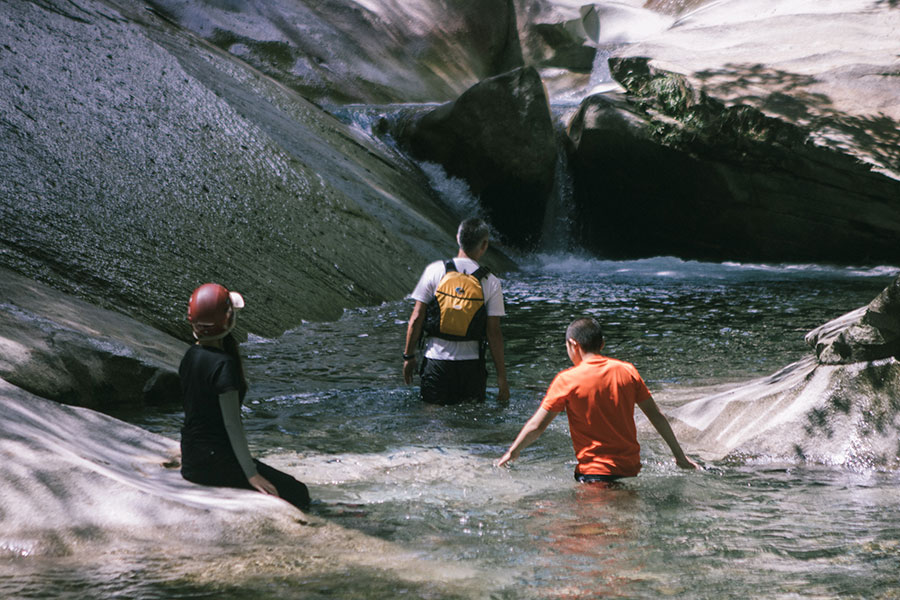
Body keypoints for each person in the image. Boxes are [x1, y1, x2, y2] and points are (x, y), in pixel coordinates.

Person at [498, 317, 697, 482]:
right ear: (601, 345)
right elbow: (657, 417)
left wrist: (513, 451)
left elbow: (537, 426)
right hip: (631, 470)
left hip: (594, 473)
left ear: (573, 345)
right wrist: (680, 456)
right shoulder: (627, 371)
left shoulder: (567, 380)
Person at [179, 282, 311, 510]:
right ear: (228, 321)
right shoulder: (224, 365)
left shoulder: (190, 356)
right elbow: (232, 425)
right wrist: (251, 474)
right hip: (215, 462)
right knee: (298, 492)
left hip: (191, 460)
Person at [403, 218, 510, 405]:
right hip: (471, 366)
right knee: (472, 423)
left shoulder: (434, 271)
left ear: (457, 238)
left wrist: (409, 356)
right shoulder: (491, 281)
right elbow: (494, 333)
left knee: (432, 422)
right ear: (484, 245)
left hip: (436, 361)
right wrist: (502, 377)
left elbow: (416, 318)